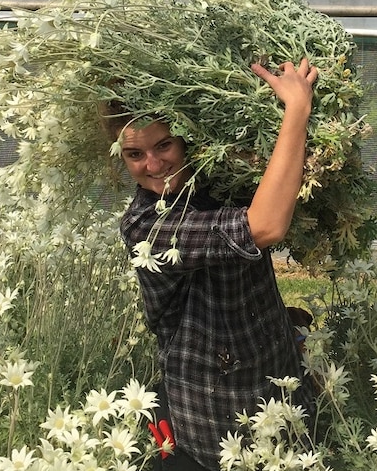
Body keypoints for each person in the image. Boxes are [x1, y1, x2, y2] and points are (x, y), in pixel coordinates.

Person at [111, 58, 318, 470]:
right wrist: (297, 109)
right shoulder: (148, 225)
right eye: (135, 154)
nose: (153, 166)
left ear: (187, 139)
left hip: (277, 372)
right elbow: (265, 226)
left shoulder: (211, 182)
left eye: (164, 145)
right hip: (216, 410)